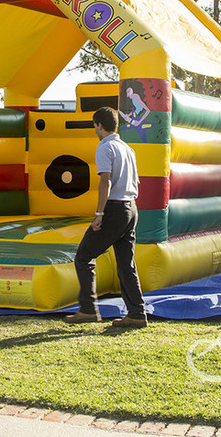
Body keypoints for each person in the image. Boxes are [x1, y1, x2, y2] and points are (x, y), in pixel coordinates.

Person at [65, 106, 147, 328]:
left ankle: (88, 310)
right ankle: (137, 314)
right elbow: (137, 182)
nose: (94, 129)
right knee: (125, 264)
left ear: (99, 125)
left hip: (114, 209)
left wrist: (99, 214)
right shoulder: (128, 149)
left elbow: (106, 181)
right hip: (131, 208)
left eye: (94, 126)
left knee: (83, 256)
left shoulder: (105, 147)